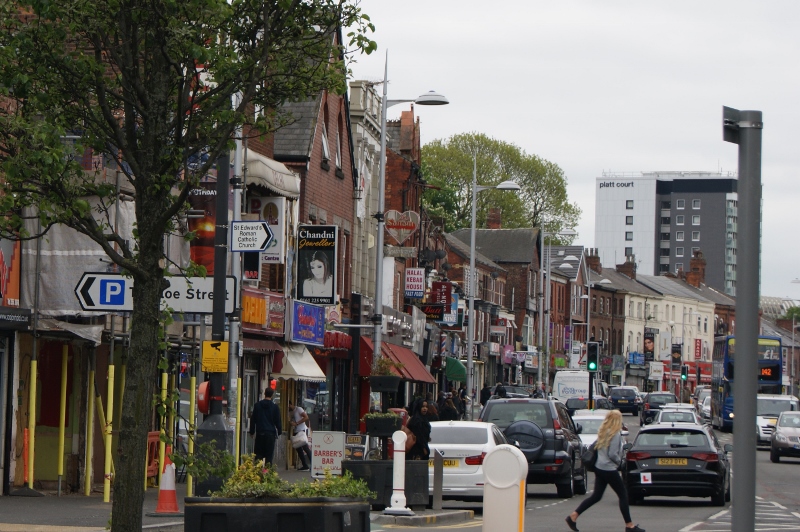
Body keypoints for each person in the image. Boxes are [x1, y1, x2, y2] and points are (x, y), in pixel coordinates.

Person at [566, 410, 645, 532]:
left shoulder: (603, 432)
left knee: (596, 496)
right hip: (609, 469)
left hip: (599, 467)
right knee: (623, 495)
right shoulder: (615, 434)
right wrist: (620, 462)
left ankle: (574, 516)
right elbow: (612, 454)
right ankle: (629, 526)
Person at [249, 388, 282, 466]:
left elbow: (253, 419)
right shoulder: (275, 407)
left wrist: (252, 431)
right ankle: (268, 474)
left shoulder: (257, 406)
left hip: (260, 433)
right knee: (269, 457)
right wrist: (279, 431)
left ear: (265, 394)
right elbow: (278, 421)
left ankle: (257, 474)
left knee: (258, 456)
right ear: (272, 395)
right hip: (270, 434)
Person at [288, 400, 313, 471]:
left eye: (288, 406)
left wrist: (297, 423)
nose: (288, 408)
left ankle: (313, 464)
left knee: (305, 447)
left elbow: (306, 417)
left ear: (290, 404)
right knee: (298, 449)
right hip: (296, 431)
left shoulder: (298, 409)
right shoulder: (290, 412)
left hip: (301, 430)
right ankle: (305, 465)